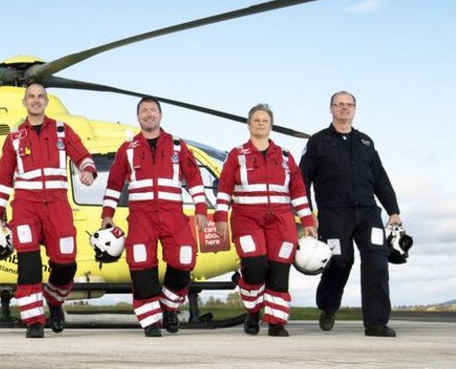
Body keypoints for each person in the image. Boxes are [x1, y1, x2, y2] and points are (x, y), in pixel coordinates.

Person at [0, 84, 96, 339]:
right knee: (29, 266)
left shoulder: (61, 130)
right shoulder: (14, 138)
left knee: (66, 262)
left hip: (57, 205)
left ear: (46, 101)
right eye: (31, 97)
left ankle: (55, 299)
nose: (36, 101)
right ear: (24, 103)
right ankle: (34, 320)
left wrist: (88, 170)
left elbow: (83, 155)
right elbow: (3, 179)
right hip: (25, 206)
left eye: (40, 97)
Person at [100, 97, 208, 337]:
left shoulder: (178, 146)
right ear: (138, 117)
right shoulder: (127, 149)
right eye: (144, 111)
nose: (148, 114)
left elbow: (194, 178)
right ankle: (150, 320)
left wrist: (201, 208)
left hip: (173, 214)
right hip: (141, 217)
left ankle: (169, 305)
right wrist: (107, 215)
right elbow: (114, 184)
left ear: (160, 115)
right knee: (141, 266)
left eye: (153, 110)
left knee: (184, 258)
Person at [300, 91, 401, 337]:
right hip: (334, 213)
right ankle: (328, 307)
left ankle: (376, 323)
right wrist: (306, 215)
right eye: (340, 104)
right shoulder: (317, 142)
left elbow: (380, 178)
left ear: (354, 109)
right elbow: (302, 180)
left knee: (377, 262)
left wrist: (394, 211)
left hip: (368, 212)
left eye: (349, 105)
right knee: (340, 262)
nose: (344, 108)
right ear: (331, 108)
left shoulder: (366, 142)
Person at [214, 104, 317, 337]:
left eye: (265, 120)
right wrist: (221, 217)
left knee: (280, 270)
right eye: (256, 120)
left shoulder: (284, 156)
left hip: (281, 220)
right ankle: (253, 310)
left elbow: (298, 190)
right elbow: (224, 188)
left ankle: (277, 322)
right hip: (247, 218)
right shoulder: (237, 155)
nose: (260, 123)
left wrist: (308, 221)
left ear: (271, 125)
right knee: (256, 265)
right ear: (249, 124)